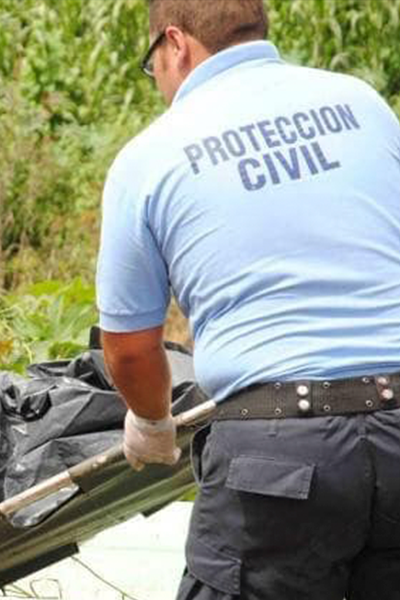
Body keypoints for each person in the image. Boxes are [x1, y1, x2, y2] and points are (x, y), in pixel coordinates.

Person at [95, 0, 400, 598]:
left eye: (150, 62)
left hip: (278, 455)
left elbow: (129, 349)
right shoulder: (363, 103)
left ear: (176, 44)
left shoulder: (149, 157)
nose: (156, 80)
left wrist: (152, 422)